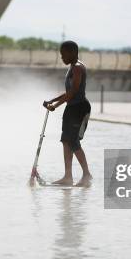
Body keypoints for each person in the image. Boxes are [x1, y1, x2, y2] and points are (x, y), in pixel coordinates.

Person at [44, 41, 92, 187]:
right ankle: (68, 176)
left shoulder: (77, 68)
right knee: (66, 140)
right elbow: (68, 92)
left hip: (79, 108)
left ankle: (86, 175)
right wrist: (52, 100)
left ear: (72, 52)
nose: (62, 57)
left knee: (73, 141)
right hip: (71, 108)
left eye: (63, 54)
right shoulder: (72, 67)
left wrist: (55, 106)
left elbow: (73, 92)